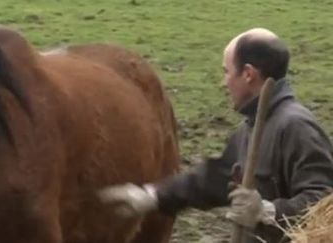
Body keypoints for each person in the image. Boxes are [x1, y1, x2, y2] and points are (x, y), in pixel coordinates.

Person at [98, 28, 333, 243]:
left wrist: (267, 211)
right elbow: (217, 178)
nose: (224, 83)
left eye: (226, 72)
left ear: (248, 74)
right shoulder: (249, 129)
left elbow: (325, 202)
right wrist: (152, 196)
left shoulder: (296, 126)